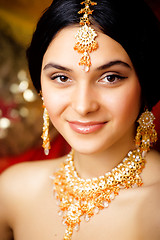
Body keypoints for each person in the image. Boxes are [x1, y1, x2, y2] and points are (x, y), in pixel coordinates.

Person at [0, 0, 160, 239]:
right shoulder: (13, 191)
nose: (83, 106)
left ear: (145, 84)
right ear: (41, 87)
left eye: (111, 77)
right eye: (62, 78)